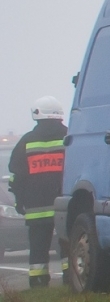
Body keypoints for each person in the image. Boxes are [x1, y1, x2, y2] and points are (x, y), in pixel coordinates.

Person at [8, 97, 67, 288]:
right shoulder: (70, 137)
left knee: (38, 246)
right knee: (67, 241)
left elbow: (17, 174)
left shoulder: (27, 140)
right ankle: (71, 276)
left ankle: (38, 281)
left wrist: (19, 200)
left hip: (36, 207)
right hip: (65, 205)